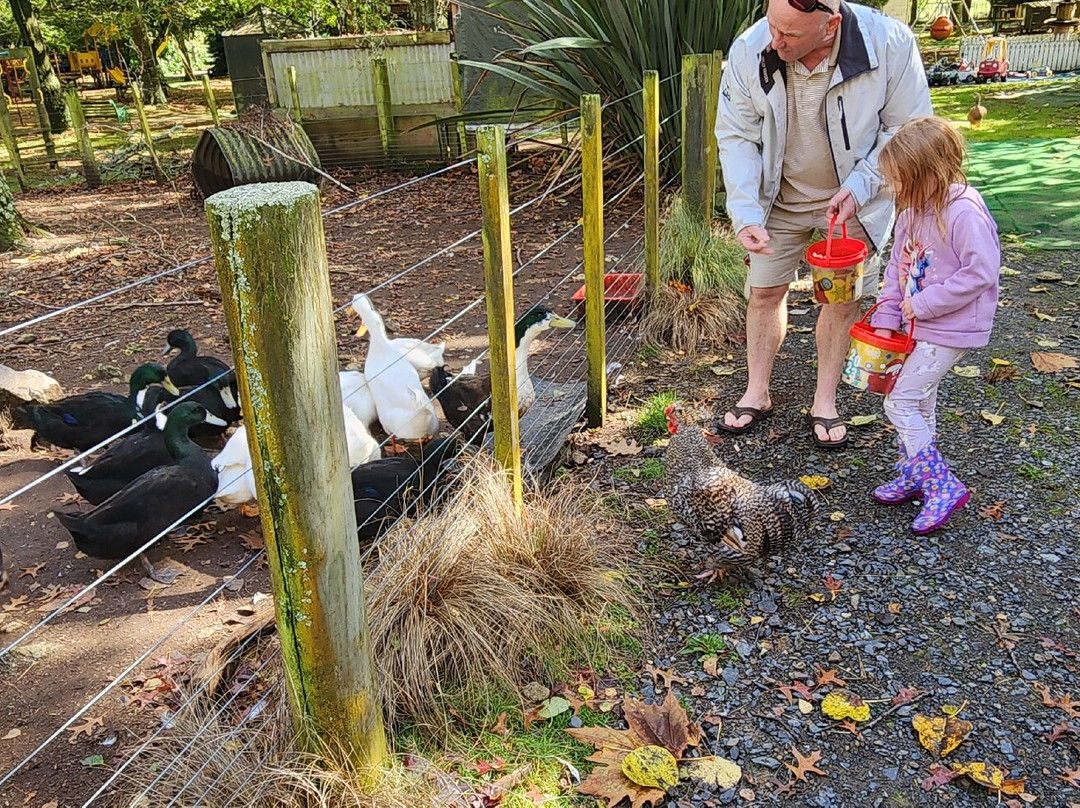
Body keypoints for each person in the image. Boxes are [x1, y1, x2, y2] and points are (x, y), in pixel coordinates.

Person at [715, 0, 932, 447]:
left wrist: (860, 187)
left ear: (831, 25)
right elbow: (737, 136)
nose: (775, 41)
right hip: (778, 197)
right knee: (764, 291)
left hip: (856, 199)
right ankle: (757, 391)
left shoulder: (890, 43)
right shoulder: (750, 47)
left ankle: (825, 401)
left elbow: (906, 130)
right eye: (773, 26)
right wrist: (746, 213)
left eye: (790, 35)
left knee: (841, 299)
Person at [868, 116, 1000, 534]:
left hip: (951, 328)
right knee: (920, 400)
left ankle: (941, 484)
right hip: (918, 326)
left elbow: (981, 272)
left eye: (901, 179)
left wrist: (922, 303)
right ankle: (915, 473)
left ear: (930, 173)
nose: (894, 188)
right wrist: (888, 316)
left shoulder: (963, 212)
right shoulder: (911, 212)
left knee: (900, 402)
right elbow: (897, 269)